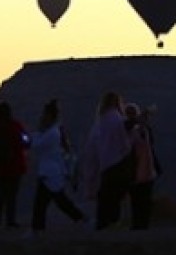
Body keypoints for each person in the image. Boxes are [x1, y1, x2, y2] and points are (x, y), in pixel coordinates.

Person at [28, 99, 84, 233]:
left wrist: (32, 137)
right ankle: (81, 219)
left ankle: (37, 229)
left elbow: (37, 145)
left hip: (50, 172)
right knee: (60, 201)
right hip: (51, 172)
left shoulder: (52, 133)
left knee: (43, 203)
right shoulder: (52, 131)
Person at [82, 91, 132, 230]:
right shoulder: (117, 119)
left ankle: (103, 222)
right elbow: (124, 141)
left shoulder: (101, 121)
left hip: (105, 163)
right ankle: (112, 222)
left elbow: (93, 146)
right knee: (114, 196)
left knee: (106, 196)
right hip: (119, 161)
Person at [0, 101, 28, 229]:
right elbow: (25, 141)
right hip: (14, 165)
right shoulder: (15, 126)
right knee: (11, 195)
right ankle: (10, 220)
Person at [125, 104, 158, 230]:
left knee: (144, 199)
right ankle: (138, 225)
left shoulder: (143, 129)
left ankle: (142, 225)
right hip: (135, 169)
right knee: (137, 199)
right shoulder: (126, 128)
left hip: (144, 169)